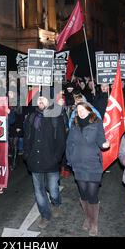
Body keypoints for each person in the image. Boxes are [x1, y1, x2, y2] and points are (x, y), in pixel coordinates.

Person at [66, 102, 109, 236]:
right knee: (83, 193)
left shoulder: (97, 123)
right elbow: (69, 143)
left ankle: (94, 223)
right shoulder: (74, 124)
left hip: (93, 164)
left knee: (92, 194)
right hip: (78, 164)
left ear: (89, 110)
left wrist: (104, 144)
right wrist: (70, 159)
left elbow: (101, 139)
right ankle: (87, 217)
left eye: (83, 109)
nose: (80, 112)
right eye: (78, 110)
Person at [23, 96, 67, 229]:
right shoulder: (32, 117)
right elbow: (27, 137)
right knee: (38, 190)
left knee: (53, 188)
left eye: (43, 100)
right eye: (39, 100)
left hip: (51, 161)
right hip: (35, 161)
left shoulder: (55, 117)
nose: (40, 102)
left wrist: (56, 158)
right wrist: (27, 155)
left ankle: (56, 203)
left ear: (48, 103)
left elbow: (61, 140)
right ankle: (45, 215)